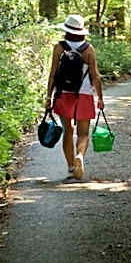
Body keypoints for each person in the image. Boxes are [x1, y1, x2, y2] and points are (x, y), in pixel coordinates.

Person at [45, 14, 104, 180]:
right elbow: (96, 76)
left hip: (63, 94)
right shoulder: (88, 49)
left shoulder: (59, 47)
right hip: (84, 95)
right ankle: (80, 156)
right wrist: (100, 97)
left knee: (68, 131)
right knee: (83, 133)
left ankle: (71, 166)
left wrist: (48, 97)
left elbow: (53, 74)